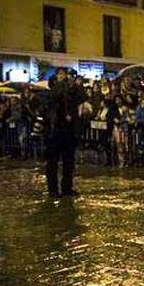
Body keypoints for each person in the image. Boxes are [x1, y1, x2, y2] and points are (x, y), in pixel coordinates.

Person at [44, 67, 85, 197]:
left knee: (68, 162)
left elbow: (81, 98)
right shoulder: (54, 89)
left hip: (69, 131)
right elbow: (54, 99)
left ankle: (66, 188)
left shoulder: (73, 90)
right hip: (55, 130)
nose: (63, 77)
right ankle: (53, 189)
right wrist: (63, 85)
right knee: (53, 162)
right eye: (60, 74)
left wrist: (76, 86)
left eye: (65, 75)